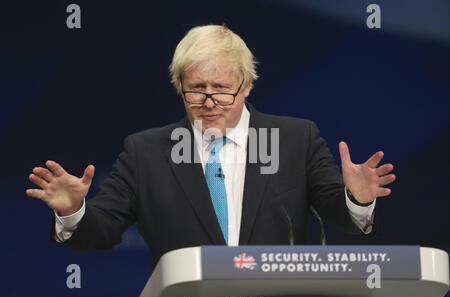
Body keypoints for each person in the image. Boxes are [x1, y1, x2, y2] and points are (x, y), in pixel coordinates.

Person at [26, 25, 395, 271]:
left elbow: (339, 211)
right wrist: (74, 211)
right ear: (179, 86)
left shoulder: (295, 140)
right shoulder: (146, 153)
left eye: (221, 88)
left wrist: (358, 199)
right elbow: (102, 230)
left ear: (247, 85)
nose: (208, 100)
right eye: (196, 88)